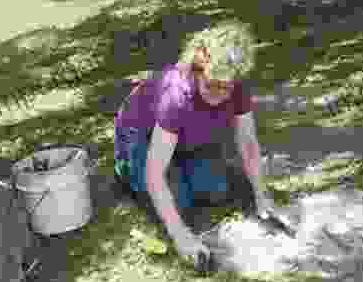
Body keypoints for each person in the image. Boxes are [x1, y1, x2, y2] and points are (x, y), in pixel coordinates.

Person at [113, 26, 282, 268]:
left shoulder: (236, 88)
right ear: (197, 71)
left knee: (215, 190)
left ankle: (181, 161)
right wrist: (181, 236)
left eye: (226, 87)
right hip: (140, 132)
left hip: (179, 136)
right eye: (212, 84)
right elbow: (154, 173)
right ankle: (125, 168)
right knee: (178, 204)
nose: (218, 94)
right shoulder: (177, 96)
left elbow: (248, 143)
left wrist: (262, 196)